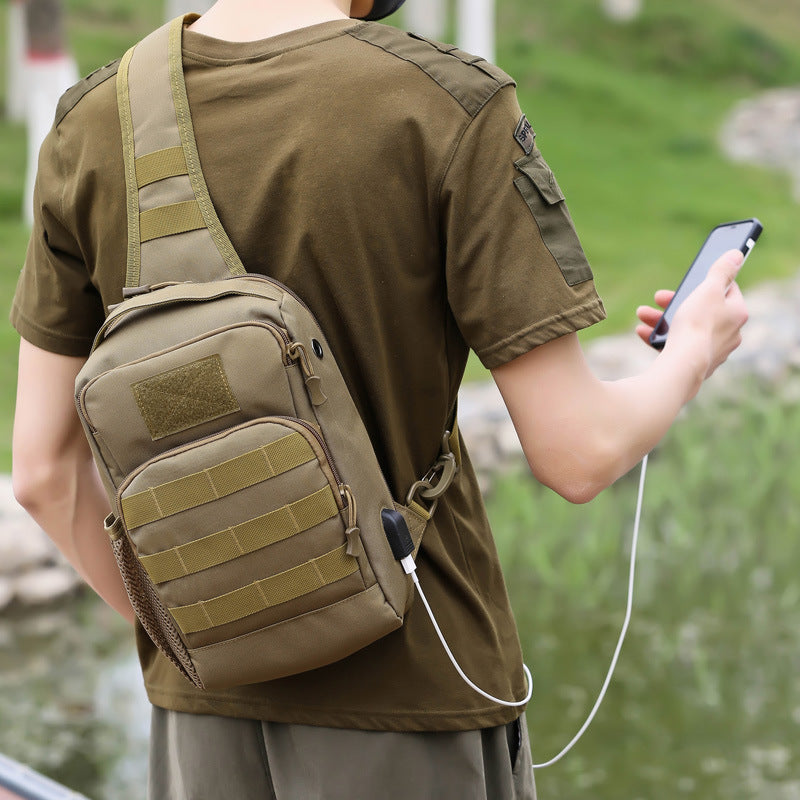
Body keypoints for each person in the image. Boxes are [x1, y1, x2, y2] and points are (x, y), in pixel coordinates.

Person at [10, 1, 748, 797]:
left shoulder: (90, 124)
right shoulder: (442, 102)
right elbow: (579, 452)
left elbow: (43, 474)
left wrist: (219, 624)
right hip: (416, 699)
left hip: (202, 723)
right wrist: (693, 353)